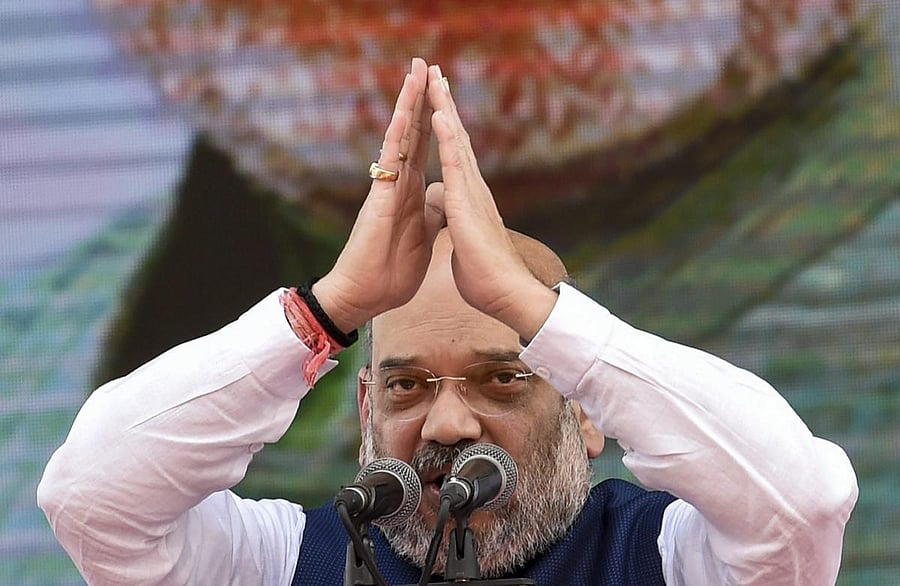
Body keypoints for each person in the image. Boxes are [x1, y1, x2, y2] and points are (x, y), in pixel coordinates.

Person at [38, 58, 857, 585]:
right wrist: (330, 311)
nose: (449, 422)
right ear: (366, 411)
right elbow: (90, 498)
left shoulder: (672, 561)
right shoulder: (285, 563)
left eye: (505, 377)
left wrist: (541, 316)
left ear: (584, 410)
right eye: (407, 385)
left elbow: (802, 505)